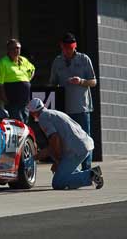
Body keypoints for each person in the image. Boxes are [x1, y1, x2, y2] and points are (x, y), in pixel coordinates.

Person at [28, 98, 103, 190]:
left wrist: (57, 160)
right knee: (64, 170)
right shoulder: (53, 113)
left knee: (58, 182)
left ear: (33, 113)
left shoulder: (43, 117)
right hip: (83, 144)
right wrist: (56, 160)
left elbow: (55, 139)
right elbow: (54, 145)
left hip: (76, 149)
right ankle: (87, 175)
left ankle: (90, 175)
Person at [49, 32, 97, 170]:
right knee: (68, 140)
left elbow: (93, 82)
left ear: (74, 47)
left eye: (70, 48)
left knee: (84, 139)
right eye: (65, 48)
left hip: (82, 107)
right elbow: (52, 84)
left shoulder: (84, 59)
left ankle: (87, 168)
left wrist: (81, 81)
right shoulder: (57, 61)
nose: (68, 51)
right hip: (65, 109)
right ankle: (72, 168)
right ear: (61, 47)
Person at [0, 39, 35, 123]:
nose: (16, 50)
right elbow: (1, 83)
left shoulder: (23, 60)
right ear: (8, 50)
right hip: (13, 99)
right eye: (13, 48)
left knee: (25, 120)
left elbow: (33, 69)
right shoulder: (3, 62)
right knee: (17, 122)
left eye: (18, 48)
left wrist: (27, 79)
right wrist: (4, 98)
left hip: (25, 99)